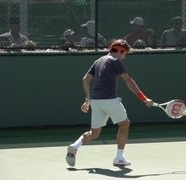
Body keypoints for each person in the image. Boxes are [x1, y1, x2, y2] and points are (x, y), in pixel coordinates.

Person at [66, 39, 154, 167]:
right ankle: (119, 158)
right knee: (125, 124)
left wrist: (87, 99)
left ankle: (75, 146)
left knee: (94, 133)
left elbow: (85, 79)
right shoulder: (115, 61)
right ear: (120, 50)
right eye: (124, 54)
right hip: (109, 99)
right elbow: (128, 81)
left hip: (96, 101)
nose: (124, 57)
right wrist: (144, 98)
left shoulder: (98, 61)